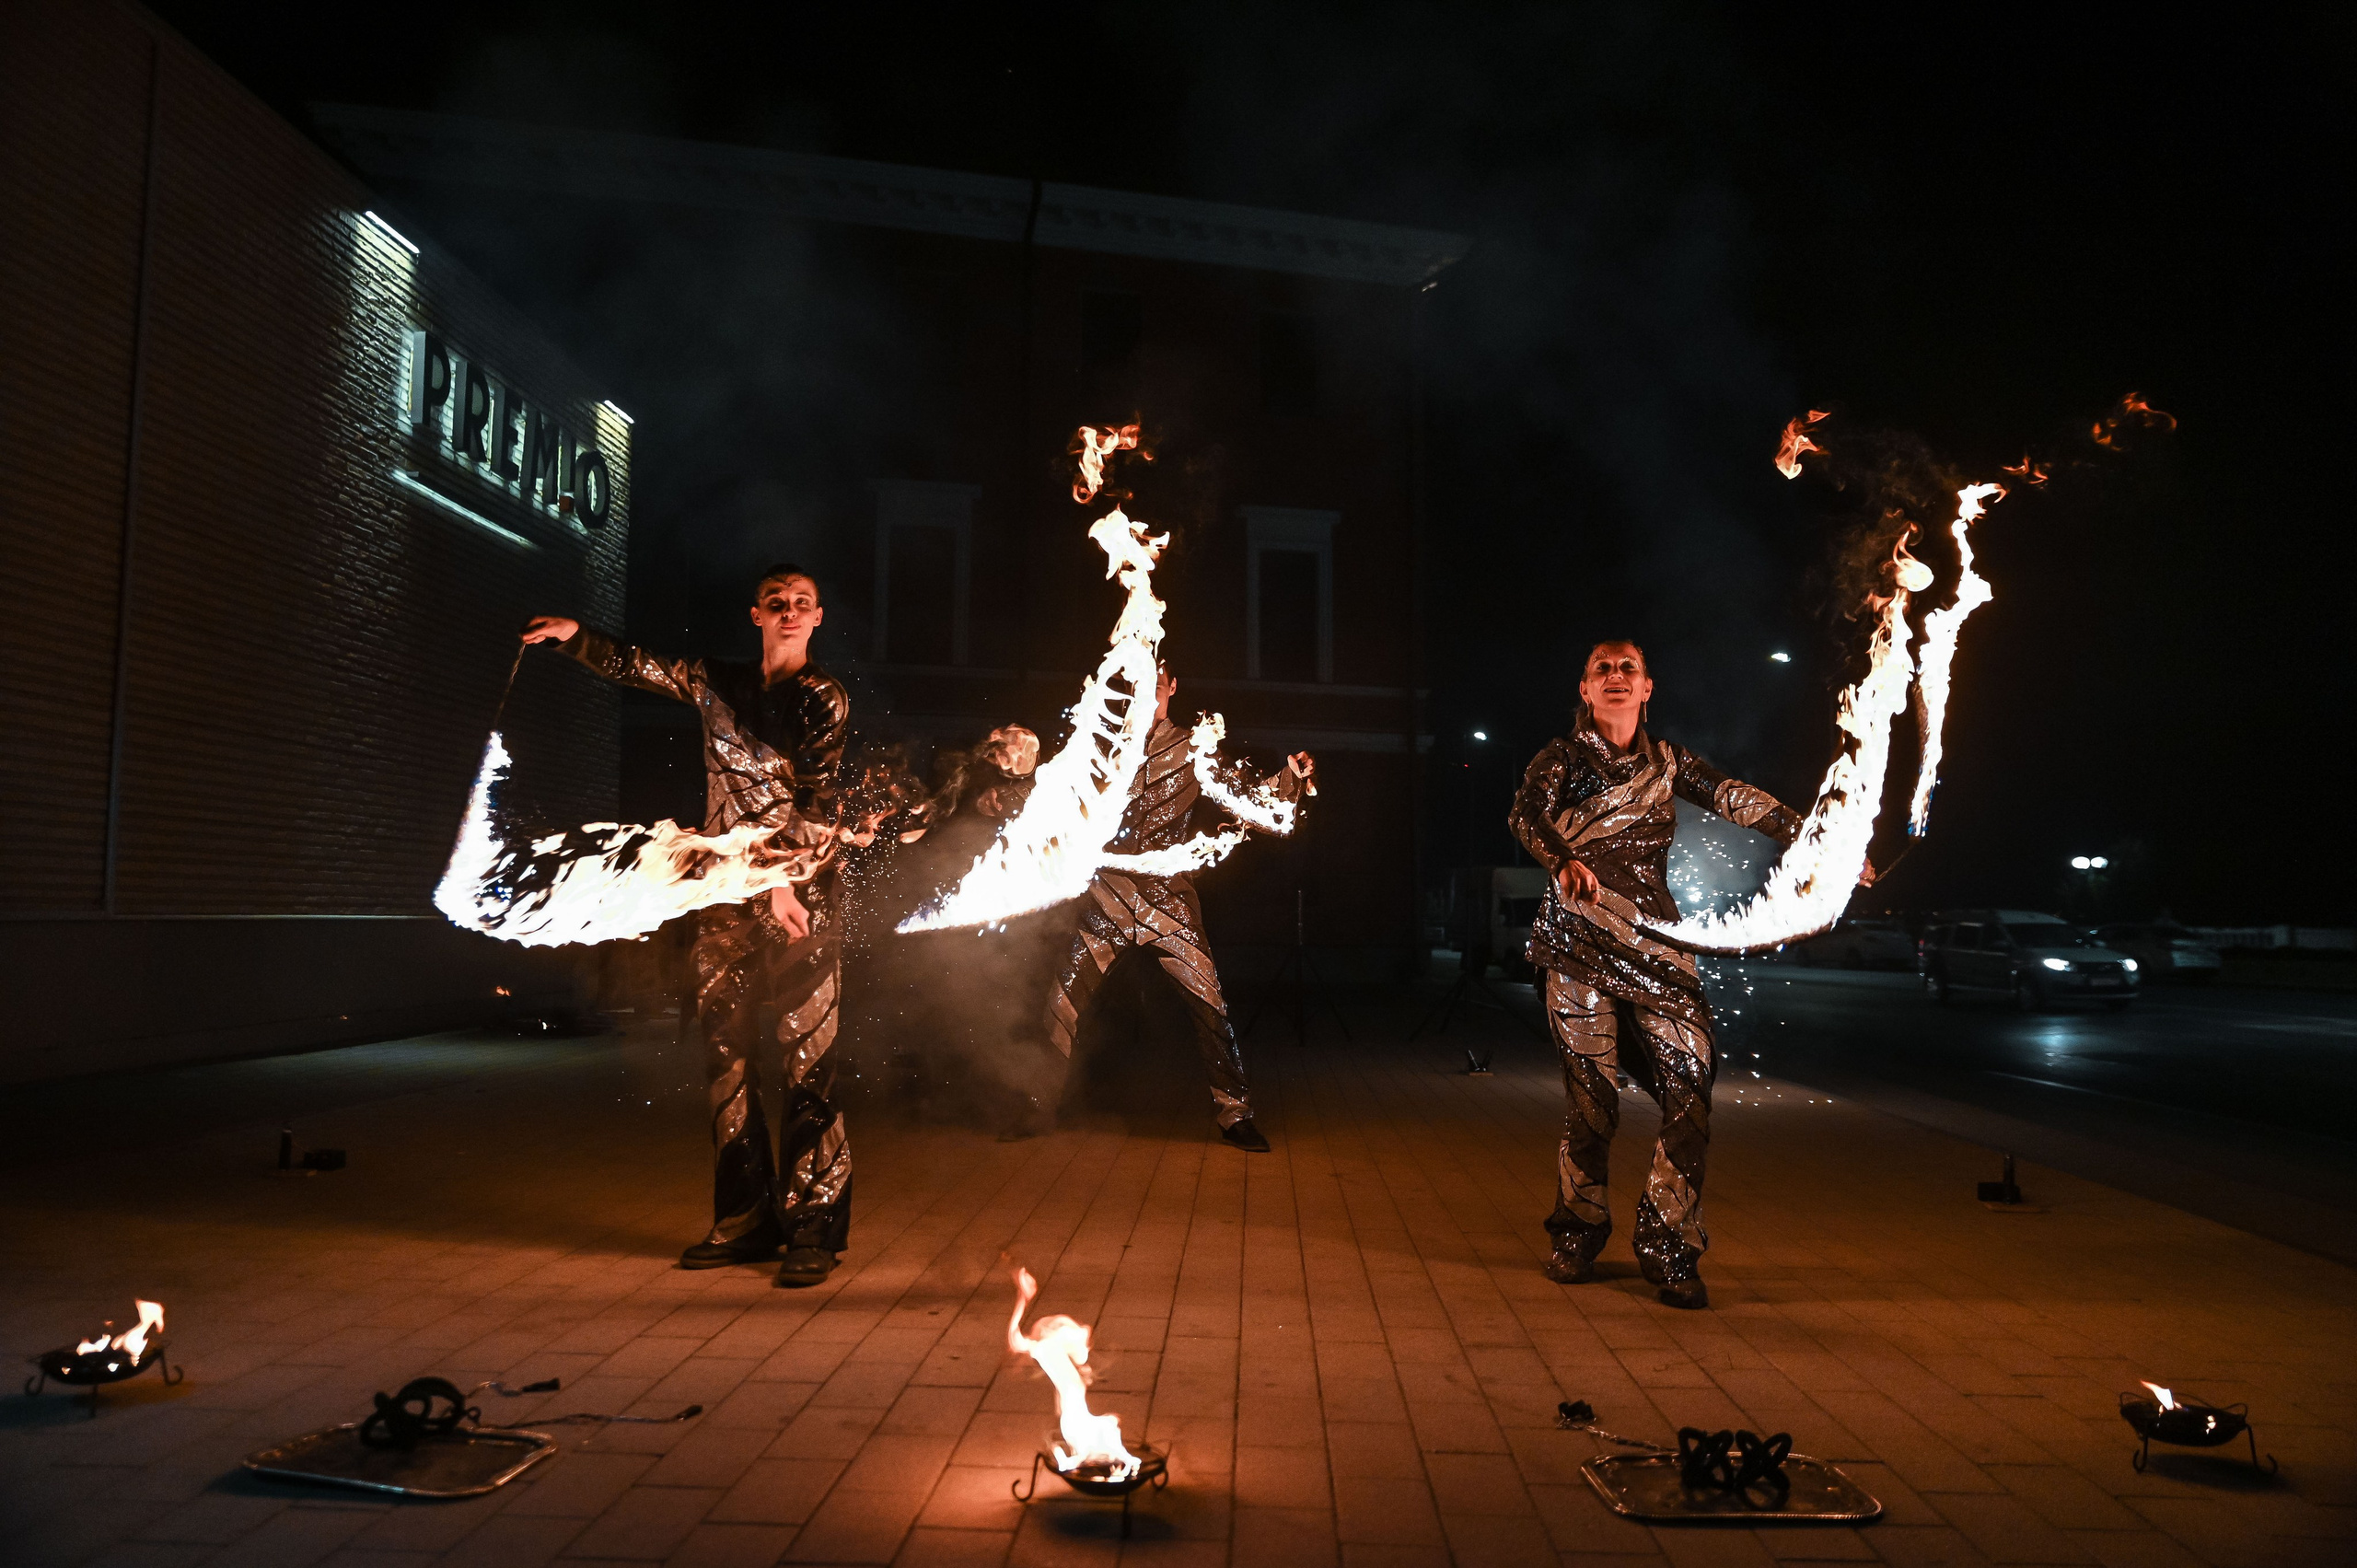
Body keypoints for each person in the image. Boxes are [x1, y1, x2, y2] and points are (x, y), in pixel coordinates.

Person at [520, 563, 853, 1287]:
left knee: (808, 1061)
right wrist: (577, 637)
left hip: (803, 899)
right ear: (756, 614)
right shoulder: (717, 683)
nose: (789, 612)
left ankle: (814, 1225)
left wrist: (781, 885)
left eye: (802, 603)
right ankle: (744, 1219)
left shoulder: (822, 698)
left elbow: (818, 804)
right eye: (777, 603)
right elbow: (641, 666)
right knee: (727, 1059)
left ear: (817, 617)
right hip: (723, 899)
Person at [1507, 640, 1818, 1309]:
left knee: (1691, 1085)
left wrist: (1821, 839)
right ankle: (1579, 1229)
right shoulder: (1560, 759)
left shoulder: (1670, 761)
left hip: (1655, 946)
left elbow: (1736, 798)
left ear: (1648, 687)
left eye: (1628, 669)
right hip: (1578, 942)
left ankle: (1670, 1244)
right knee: (1594, 1098)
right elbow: (1524, 814)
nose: (1615, 677)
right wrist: (1562, 860)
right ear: (1585, 689)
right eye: (1602, 669)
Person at [1028, 667, 1314, 1149]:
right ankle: (1036, 1104)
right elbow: (1059, 806)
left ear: (1173, 687)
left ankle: (1235, 1115)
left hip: (1169, 900)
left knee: (1211, 1007)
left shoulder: (1193, 745)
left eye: (1156, 685)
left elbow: (1247, 800)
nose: (1147, 694)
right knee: (1061, 1000)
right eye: (1138, 686)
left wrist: (1290, 778)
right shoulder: (1103, 747)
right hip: (1108, 897)